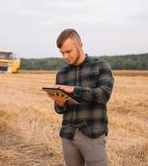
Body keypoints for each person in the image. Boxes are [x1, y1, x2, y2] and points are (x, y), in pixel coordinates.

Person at [48, 29, 114, 166]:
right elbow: (59, 110)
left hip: (92, 134)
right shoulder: (62, 73)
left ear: (80, 45)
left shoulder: (100, 66)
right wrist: (59, 103)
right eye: (62, 53)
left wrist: (73, 89)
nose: (65, 56)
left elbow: (104, 95)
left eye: (68, 51)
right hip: (68, 134)